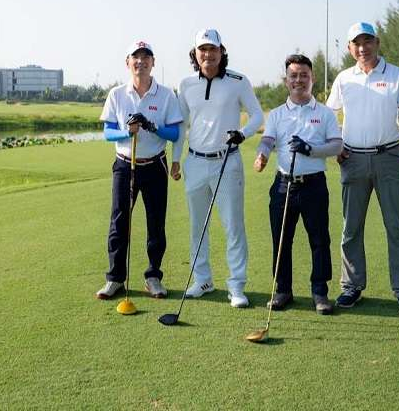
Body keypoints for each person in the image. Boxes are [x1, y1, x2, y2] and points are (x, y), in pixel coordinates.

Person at [326, 22, 399, 314]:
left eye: (367, 41)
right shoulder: (344, 78)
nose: (362, 48)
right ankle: (351, 286)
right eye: (357, 43)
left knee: (397, 227)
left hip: (389, 156)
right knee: (351, 227)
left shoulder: (396, 75)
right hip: (352, 158)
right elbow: (329, 114)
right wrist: (336, 144)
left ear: (377, 43)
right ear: (349, 48)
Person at [171, 29, 263, 308]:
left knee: (233, 226)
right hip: (195, 161)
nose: (208, 54)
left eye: (213, 49)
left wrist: (242, 133)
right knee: (197, 226)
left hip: (227, 161)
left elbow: (257, 115)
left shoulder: (238, 81)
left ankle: (236, 286)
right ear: (195, 53)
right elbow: (181, 125)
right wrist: (175, 159)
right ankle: (203, 280)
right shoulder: (186, 84)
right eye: (203, 49)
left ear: (221, 52)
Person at [254, 54, 342, 314]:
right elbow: (268, 140)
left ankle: (320, 292)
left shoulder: (324, 113)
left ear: (312, 79)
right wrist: (262, 155)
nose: (299, 80)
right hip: (284, 185)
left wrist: (310, 149)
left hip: (314, 185)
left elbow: (336, 145)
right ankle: (283, 290)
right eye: (293, 76)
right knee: (281, 239)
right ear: (286, 81)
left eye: (304, 75)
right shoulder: (277, 114)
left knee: (319, 239)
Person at [95, 40, 183, 300]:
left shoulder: (166, 95)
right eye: (136, 57)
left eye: (146, 57)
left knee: (156, 223)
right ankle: (115, 279)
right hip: (125, 165)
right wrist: (127, 131)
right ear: (128, 62)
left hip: (155, 164)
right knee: (119, 222)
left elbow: (175, 133)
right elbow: (108, 132)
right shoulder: (117, 94)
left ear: (153, 63)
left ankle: (153, 277)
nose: (140, 62)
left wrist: (151, 126)